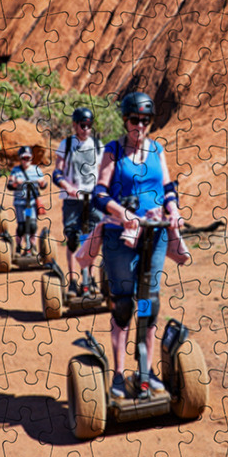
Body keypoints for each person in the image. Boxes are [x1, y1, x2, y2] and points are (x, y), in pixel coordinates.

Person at [90, 91, 185, 400]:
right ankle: (118, 375)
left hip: (154, 236)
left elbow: (168, 188)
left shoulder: (158, 150)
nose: (139, 125)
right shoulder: (113, 151)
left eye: (145, 120)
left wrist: (174, 212)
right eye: (134, 119)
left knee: (150, 304)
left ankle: (146, 371)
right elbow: (100, 194)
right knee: (124, 305)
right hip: (120, 237)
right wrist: (124, 213)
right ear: (125, 120)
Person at [52, 107, 103, 296]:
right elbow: (57, 172)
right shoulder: (66, 145)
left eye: (89, 125)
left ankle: (90, 279)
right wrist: (67, 186)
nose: (86, 129)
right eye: (83, 125)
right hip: (72, 199)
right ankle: (73, 282)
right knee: (73, 239)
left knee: (93, 239)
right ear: (75, 125)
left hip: (93, 199)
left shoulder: (98, 145)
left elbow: (102, 172)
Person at [7, 145, 48, 255]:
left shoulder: (36, 169)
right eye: (23, 158)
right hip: (20, 202)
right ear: (20, 158)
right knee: (21, 226)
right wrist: (16, 182)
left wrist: (42, 182)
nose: (26, 161)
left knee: (32, 225)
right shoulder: (16, 170)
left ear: (31, 158)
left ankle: (32, 246)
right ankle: (19, 246)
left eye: (28, 158)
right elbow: (10, 185)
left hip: (32, 203)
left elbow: (44, 185)